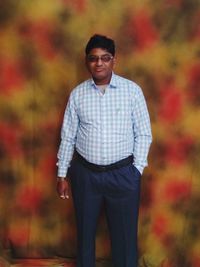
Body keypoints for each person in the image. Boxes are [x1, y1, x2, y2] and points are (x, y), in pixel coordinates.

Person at [56, 34, 152, 267]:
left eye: (105, 58)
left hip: (123, 175)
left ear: (113, 61)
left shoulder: (132, 91)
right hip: (86, 175)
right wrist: (62, 174)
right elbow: (68, 136)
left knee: (125, 238)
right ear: (87, 62)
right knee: (85, 235)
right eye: (93, 58)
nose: (99, 63)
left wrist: (136, 170)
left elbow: (144, 133)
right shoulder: (78, 94)